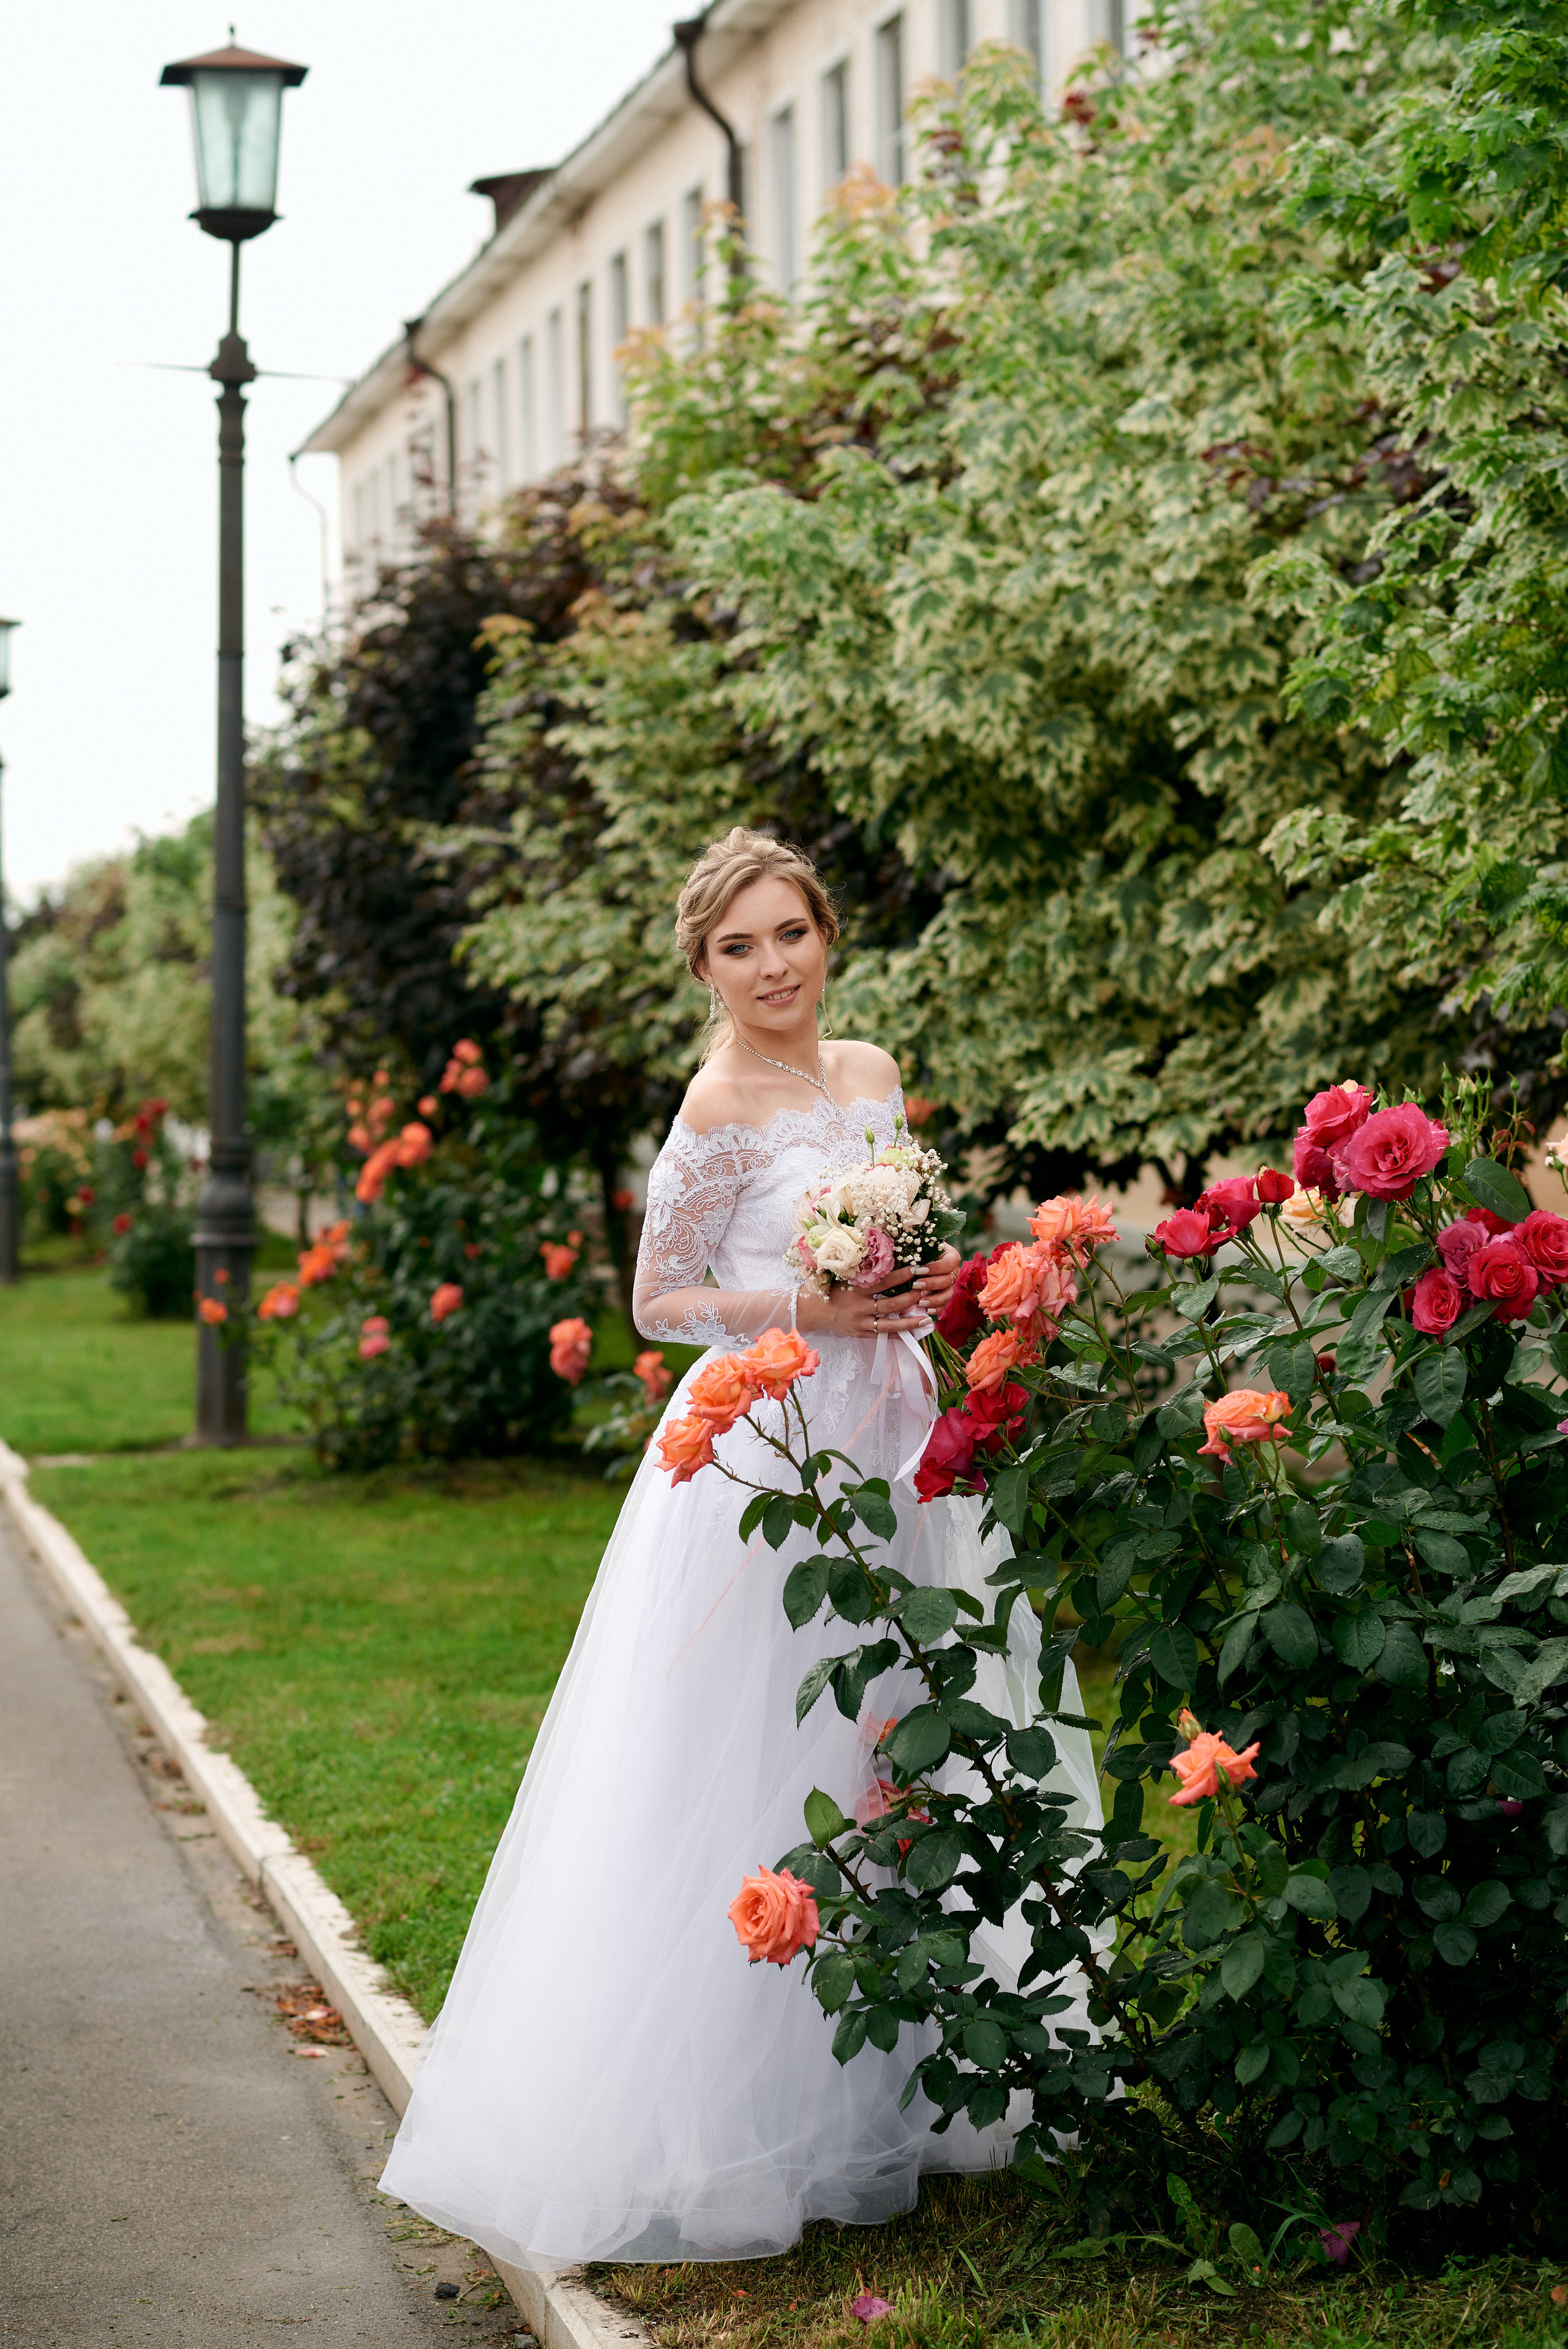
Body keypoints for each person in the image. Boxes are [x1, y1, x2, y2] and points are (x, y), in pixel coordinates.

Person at [380, 828, 1101, 2271]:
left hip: (897, 1430)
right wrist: (808, 1308)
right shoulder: (714, 1103)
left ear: (825, 934)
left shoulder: (872, 1071)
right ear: (702, 966)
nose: (772, 967)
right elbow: (658, 1297)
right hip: (776, 1449)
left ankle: (918, 2081)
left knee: (912, 1726)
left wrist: (928, 1284)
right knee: (771, 1748)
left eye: (790, 935)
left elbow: (896, 1242)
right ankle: (740, 2113)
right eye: (738, 947)